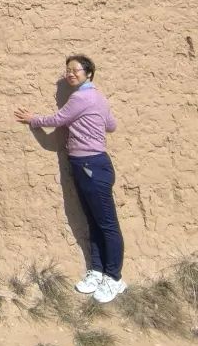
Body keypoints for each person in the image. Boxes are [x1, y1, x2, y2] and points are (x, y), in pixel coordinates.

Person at [14, 54, 126, 303]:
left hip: (91, 165)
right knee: (93, 220)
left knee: (106, 223)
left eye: (76, 69)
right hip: (86, 163)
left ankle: (115, 278)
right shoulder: (99, 97)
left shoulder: (81, 97)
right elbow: (111, 125)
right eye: (68, 70)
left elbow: (59, 119)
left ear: (89, 73)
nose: (70, 73)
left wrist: (33, 119)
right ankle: (97, 271)